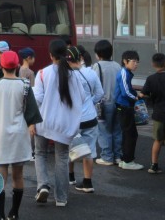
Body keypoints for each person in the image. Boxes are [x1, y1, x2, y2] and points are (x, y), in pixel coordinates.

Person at [0, 50, 42, 220]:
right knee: (18, 176)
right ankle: (14, 212)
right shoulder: (25, 85)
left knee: (0, 178)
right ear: (17, 66)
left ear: (0, 66)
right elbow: (31, 115)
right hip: (19, 137)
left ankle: (0, 215)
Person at [33, 38, 86, 207]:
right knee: (62, 158)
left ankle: (43, 186)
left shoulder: (43, 73)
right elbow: (82, 98)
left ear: (50, 55)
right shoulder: (74, 75)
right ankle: (61, 198)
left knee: (40, 153)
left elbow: (37, 99)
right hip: (64, 124)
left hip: (43, 121)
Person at [67, 46, 104, 193]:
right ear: (81, 57)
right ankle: (87, 183)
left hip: (72, 119)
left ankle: (70, 176)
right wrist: (90, 103)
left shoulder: (66, 75)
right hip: (89, 117)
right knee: (89, 150)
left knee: (69, 148)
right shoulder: (91, 73)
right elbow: (100, 93)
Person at [140, 53, 165, 176]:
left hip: (158, 113)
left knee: (157, 140)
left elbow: (143, 93)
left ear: (153, 64)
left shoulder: (150, 79)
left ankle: (154, 165)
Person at [92, 39, 123, 166]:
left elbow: (93, 85)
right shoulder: (117, 65)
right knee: (117, 130)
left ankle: (107, 156)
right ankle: (118, 156)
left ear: (98, 54)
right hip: (118, 102)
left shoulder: (97, 66)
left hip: (103, 104)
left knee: (104, 130)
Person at [114, 50, 144, 170]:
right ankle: (128, 161)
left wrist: (135, 94)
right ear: (125, 61)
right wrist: (136, 97)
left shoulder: (127, 72)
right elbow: (125, 92)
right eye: (133, 61)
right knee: (130, 134)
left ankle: (124, 159)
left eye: (137, 62)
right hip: (124, 107)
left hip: (124, 106)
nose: (136, 64)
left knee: (127, 134)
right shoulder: (124, 73)